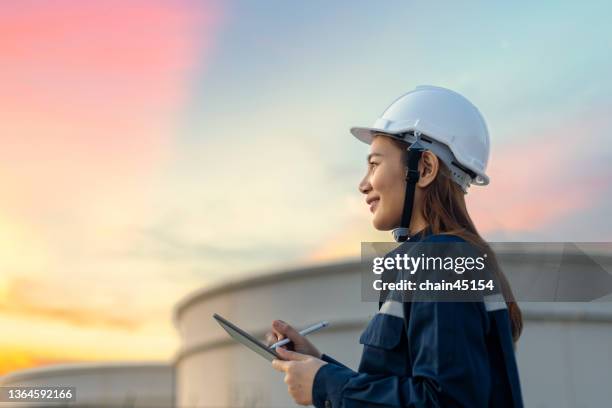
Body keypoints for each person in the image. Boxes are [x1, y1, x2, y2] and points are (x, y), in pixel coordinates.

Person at [269, 85, 524, 407]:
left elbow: (447, 402)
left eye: (374, 164)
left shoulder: (440, 262)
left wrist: (327, 385)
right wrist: (319, 366)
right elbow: (420, 390)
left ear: (426, 168)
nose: (363, 184)